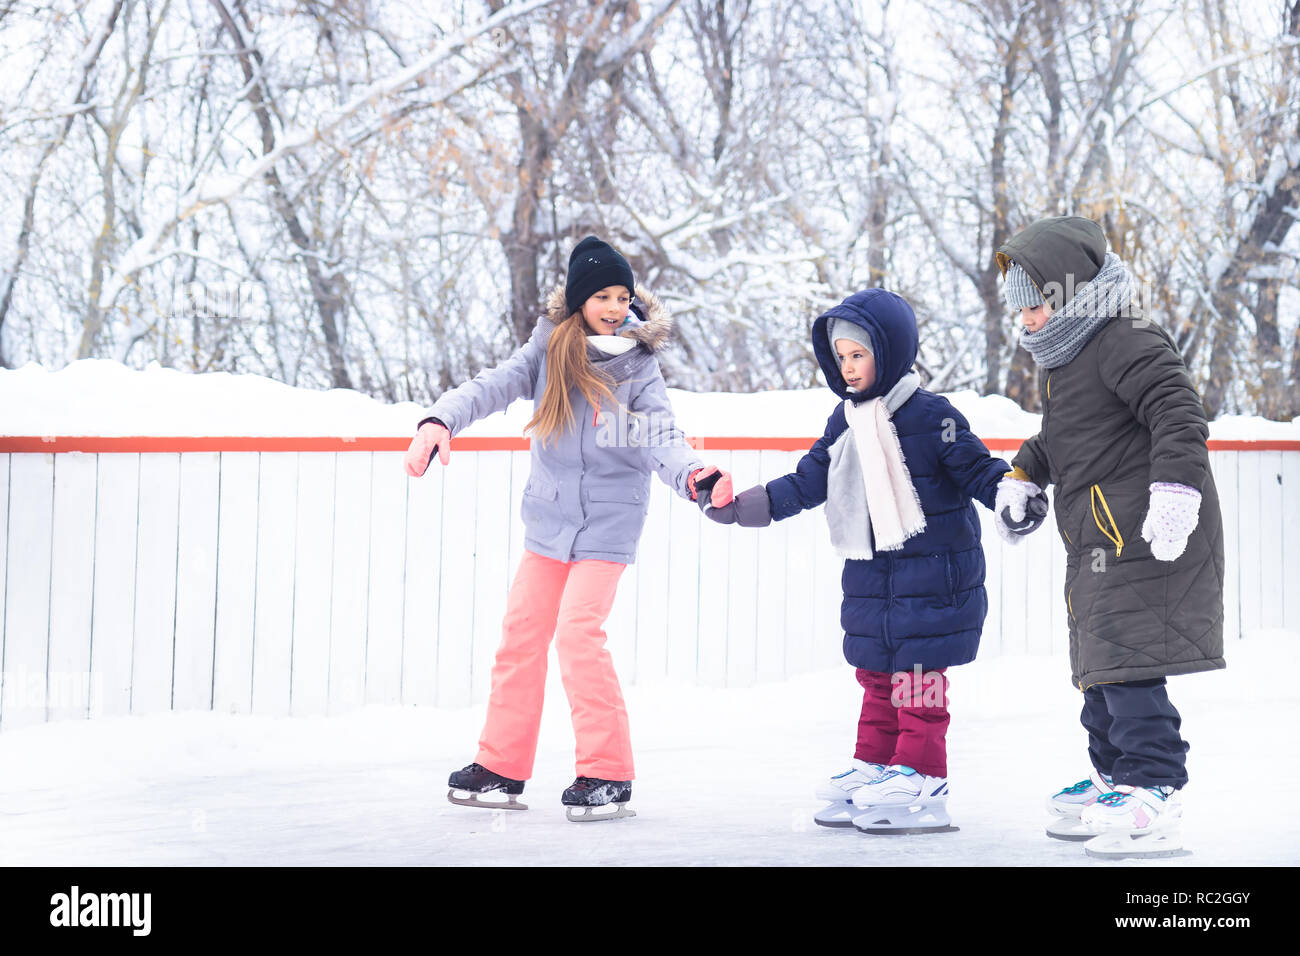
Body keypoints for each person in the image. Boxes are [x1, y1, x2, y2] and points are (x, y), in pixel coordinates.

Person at [404, 236, 732, 821]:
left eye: (622, 295)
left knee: (579, 634)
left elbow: (660, 437)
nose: (613, 305)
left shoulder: (638, 367)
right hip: (550, 521)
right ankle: (502, 765)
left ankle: (607, 773)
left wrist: (695, 478)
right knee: (521, 634)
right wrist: (440, 419)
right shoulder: (548, 349)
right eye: (602, 294)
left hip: (608, 523)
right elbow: (492, 385)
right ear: (580, 299)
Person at [697, 288, 1009, 834]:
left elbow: (977, 469)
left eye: (858, 354)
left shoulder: (934, 415)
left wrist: (1010, 495)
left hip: (934, 578)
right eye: (839, 356)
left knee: (918, 679)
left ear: (889, 351)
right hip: (871, 577)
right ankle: (876, 765)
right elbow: (806, 481)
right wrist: (743, 508)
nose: (847, 366)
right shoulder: (845, 422)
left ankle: (922, 776)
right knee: (877, 677)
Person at [993, 215, 1224, 858]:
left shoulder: (1126, 338)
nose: (1028, 322)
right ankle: (1115, 778)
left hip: (1142, 531)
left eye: (1036, 307)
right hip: (1099, 537)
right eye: (1023, 311)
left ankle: (1156, 788)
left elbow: (1180, 411)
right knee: (1100, 665)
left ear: (1068, 296)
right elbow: (1065, 437)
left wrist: (1177, 493)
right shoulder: (1069, 360)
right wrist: (1023, 473)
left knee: (1128, 663)